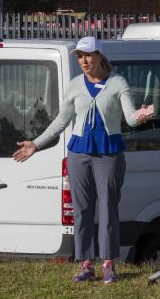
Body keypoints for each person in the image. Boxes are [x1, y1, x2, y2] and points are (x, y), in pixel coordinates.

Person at [13, 37, 150, 283]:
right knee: (81, 210)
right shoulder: (75, 85)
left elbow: (129, 118)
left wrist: (141, 115)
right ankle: (86, 264)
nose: (84, 61)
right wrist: (36, 144)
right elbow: (61, 121)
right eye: (80, 56)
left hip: (108, 154)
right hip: (79, 154)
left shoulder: (118, 83)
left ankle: (108, 263)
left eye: (88, 55)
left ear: (99, 55)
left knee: (108, 208)